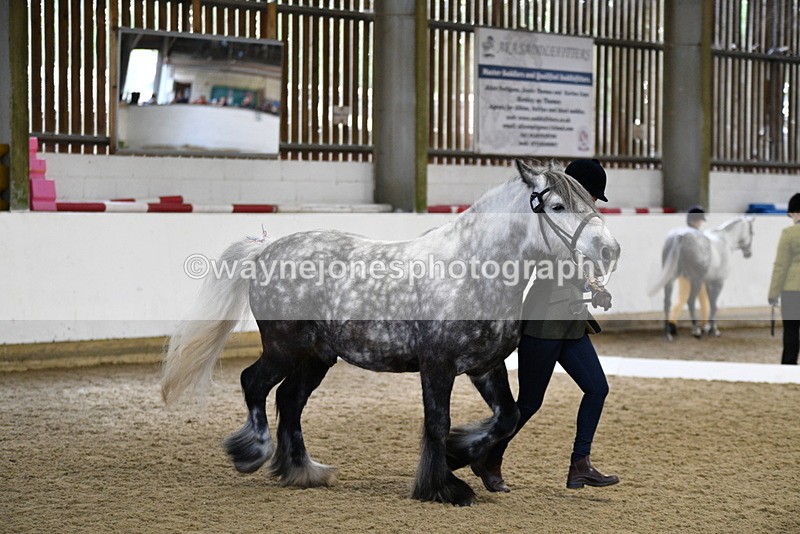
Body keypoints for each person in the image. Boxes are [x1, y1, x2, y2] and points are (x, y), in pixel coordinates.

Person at [471, 158, 619, 492]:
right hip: (543, 322)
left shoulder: (574, 223)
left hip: (570, 323)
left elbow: (577, 267)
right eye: (591, 196)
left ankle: (580, 465)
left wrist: (595, 288)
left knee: (597, 389)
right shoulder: (552, 220)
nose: (593, 204)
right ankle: (487, 456)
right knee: (529, 403)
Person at [666, 205, 711, 338]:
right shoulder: (696, 236)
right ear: (695, 220)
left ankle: (672, 322)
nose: (701, 222)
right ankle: (704, 323)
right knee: (702, 298)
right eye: (699, 220)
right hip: (695, 273)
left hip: (684, 273)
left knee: (682, 297)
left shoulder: (682, 235)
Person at [768, 193, 800, 365]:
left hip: (793, 290)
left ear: (796, 213)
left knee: (791, 331)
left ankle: (789, 366)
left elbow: (781, 266)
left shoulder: (789, 234)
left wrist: (773, 294)